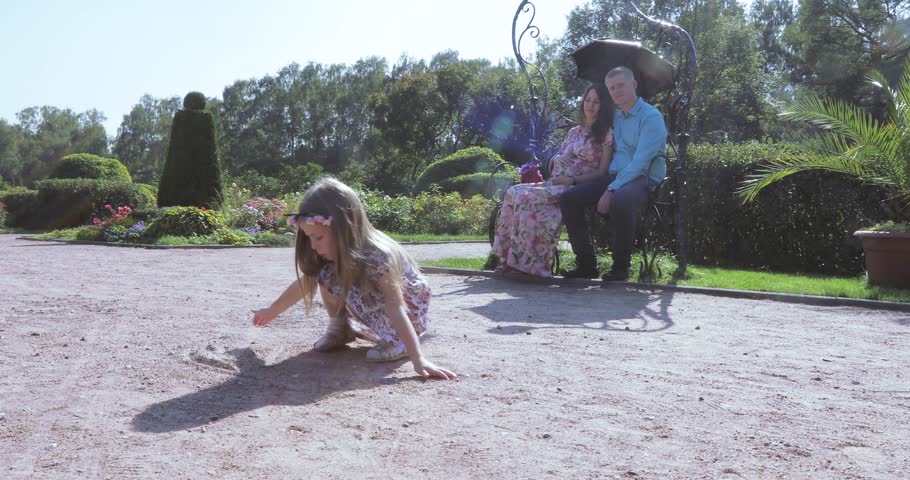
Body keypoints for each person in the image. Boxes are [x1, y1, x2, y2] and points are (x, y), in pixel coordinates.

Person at [251, 178, 456, 380]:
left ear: (344, 229)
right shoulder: (332, 257)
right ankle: (341, 328)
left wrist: (418, 358)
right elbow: (306, 282)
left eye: (318, 237)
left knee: (334, 275)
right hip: (378, 303)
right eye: (309, 236)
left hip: (406, 309)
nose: (313, 245)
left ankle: (398, 341)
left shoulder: (379, 257)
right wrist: (271, 311)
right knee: (325, 274)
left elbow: (395, 305)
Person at [492, 84, 615, 277]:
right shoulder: (574, 132)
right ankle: (508, 259)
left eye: (596, 102)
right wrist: (556, 159)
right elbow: (558, 156)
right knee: (512, 192)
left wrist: (572, 180)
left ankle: (529, 266)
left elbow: (602, 171)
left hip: (575, 186)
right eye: (588, 100)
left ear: (603, 105)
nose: (590, 105)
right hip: (555, 182)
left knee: (525, 197)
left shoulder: (606, 133)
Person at [559, 66, 667, 281]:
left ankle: (620, 268)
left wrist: (611, 189)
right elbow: (595, 139)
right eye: (611, 88)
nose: (616, 91)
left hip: (644, 178)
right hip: (615, 176)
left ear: (634, 85)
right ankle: (587, 265)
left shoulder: (650, 117)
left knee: (621, 199)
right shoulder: (615, 117)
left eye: (620, 86)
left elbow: (641, 163)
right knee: (569, 198)